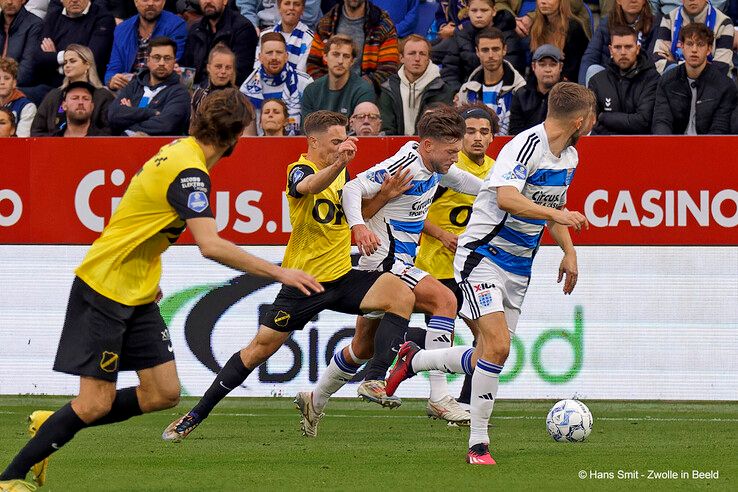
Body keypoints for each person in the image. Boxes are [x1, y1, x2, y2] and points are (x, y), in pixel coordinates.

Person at [0, 88, 321, 492]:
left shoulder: (182, 152)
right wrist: (281, 272)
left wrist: (146, 271)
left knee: (164, 392)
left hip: (137, 289)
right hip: (105, 288)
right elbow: (210, 245)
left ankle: (56, 422)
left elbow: (140, 220)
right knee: (95, 402)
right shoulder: (188, 172)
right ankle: (10, 477)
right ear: (237, 134)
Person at [162, 110, 416, 442]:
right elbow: (310, 186)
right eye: (336, 142)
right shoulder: (299, 169)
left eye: (344, 141)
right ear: (314, 141)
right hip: (303, 284)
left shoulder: (341, 173)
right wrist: (340, 163)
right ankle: (194, 415)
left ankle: (376, 379)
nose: (343, 147)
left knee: (401, 295)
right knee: (258, 351)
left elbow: (349, 216)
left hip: (340, 277)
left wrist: (383, 196)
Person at [385, 82, 595, 466]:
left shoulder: (570, 157)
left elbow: (555, 205)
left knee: (488, 353)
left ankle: (413, 360)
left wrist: (569, 251)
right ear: (581, 120)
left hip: (519, 266)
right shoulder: (525, 145)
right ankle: (477, 445)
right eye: (593, 117)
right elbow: (507, 198)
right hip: (482, 254)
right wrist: (557, 215)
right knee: (497, 347)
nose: (594, 123)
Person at [356, 105, 496, 420]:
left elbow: (484, 197)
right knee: (481, 334)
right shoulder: (430, 167)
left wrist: (513, 197)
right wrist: (441, 234)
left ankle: (324, 393)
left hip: (464, 268)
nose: (476, 138)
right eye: (470, 131)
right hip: (429, 262)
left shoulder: (489, 170)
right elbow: (415, 211)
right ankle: (433, 390)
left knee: (483, 339)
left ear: (492, 136)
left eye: (483, 132)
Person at [652, 22, 736, 134]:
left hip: (709, 147)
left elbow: (719, 129)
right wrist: (668, 147)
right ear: (682, 47)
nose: (694, 50)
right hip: (674, 146)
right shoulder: (667, 80)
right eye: (690, 44)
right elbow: (661, 121)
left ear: (709, 49)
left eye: (700, 44)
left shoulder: (725, 85)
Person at [306, 0, 400, 95]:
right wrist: (329, 86)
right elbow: (313, 63)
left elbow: (389, 67)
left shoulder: (383, 25)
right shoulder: (326, 24)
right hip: (330, 92)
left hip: (370, 92)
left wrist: (360, 87)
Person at [31, 0, 115, 101]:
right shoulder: (53, 17)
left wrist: (55, 59)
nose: (75, 0)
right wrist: (73, 59)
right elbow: (37, 58)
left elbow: (91, 58)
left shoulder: (103, 18)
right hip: (50, 86)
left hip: (85, 88)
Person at [108, 37, 191, 136]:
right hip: (124, 146)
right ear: (148, 60)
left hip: (161, 149)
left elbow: (166, 125)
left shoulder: (180, 92)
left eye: (167, 58)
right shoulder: (134, 85)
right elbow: (113, 115)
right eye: (156, 57)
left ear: (174, 62)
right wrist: (151, 113)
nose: (162, 63)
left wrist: (129, 119)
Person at [589, 25, 659, 134]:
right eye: (617, 47)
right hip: (606, 146)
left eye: (628, 47)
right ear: (610, 50)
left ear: (637, 49)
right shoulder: (597, 81)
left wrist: (604, 117)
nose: (623, 52)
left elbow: (643, 122)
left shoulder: (652, 79)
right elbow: (593, 123)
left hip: (641, 146)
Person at [378, 34, 454, 136]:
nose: (417, 58)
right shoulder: (389, 88)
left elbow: (437, 130)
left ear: (428, 59)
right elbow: (387, 128)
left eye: (422, 54)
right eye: (412, 53)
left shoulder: (442, 89)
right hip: (395, 148)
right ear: (401, 58)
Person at [30, 44, 113, 136]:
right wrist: (57, 144)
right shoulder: (54, 95)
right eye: (65, 62)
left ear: (87, 65)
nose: (67, 66)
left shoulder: (103, 96)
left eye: (72, 61)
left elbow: (109, 131)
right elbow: (36, 131)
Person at [441, 0, 523, 91]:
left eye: (484, 10)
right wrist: (457, 92)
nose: (479, 15)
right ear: (468, 11)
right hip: (466, 92)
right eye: (474, 11)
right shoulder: (461, 34)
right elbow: (450, 71)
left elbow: (512, 68)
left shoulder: (508, 33)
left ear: (494, 11)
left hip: (502, 91)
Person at [104, 0, 187, 90]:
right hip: (126, 88)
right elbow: (113, 68)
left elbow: (169, 64)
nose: (150, 3)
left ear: (163, 2)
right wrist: (112, 80)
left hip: (159, 87)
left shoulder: (176, 25)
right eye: (145, 0)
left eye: (156, 0)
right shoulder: (122, 29)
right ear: (136, 2)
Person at [240, 31, 312, 135]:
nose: (274, 57)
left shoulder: (304, 83)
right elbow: (248, 135)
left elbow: (311, 129)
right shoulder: (247, 89)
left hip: (298, 146)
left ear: (286, 56)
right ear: (260, 57)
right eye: (269, 53)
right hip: (261, 147)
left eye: (279, 52)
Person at [457, 27, 525, 136]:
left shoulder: (520, 89)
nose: (490, 55)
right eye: (485, 50)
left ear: (504, 50)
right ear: (477, 52)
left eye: (495, 49)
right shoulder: (466, 90)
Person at [182, 0, 259, 86]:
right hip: (196, 91)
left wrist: (204, 89)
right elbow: (187, 67)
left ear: (225, 1)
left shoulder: (243, 28)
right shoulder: (196, 29)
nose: (208, 1)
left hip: (228, 91)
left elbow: (239, 73)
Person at [579, 0, 656, 85]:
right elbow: (590, 57)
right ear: (618, 1)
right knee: (593, 69)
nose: (633, 0)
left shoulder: (654, 23)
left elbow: (652, 60)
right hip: (611, 79)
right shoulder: (607, 23)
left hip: (641, 80)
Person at [300, 34, 374, 122]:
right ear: (325, 57)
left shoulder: (363, 90)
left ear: (352, 61)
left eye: (346, 56)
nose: (340, 61)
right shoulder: (311, 90)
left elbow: (360, 128)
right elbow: (307, 130)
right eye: (335, 54)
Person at [653, 0, 734, 74]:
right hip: (675, 84)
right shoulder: (669, 18)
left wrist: (675, 65)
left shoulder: (724, 23)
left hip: (714, 86)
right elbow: (658, 60)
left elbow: (721, 67)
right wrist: (703, 65)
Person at [525, 0, 590, 82]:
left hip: (566, 86)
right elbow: (533, 70)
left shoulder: (574, 28)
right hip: (541, 85)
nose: (543, 2)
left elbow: (572, 71)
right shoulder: (536, 27)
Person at [509, 43, 563, 134]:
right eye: (542, 65)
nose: (548, 69)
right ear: (533, 66)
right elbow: (514, 132)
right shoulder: (521, 95)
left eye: (553, 65)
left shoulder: (569, 96)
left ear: (560, 67)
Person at [254, 0, 315, 72]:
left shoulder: (310, 39)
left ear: (302, 9)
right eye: (287, 3)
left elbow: (301, 73)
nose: (291, 8)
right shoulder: (264, 34)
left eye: (297, 4)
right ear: (279, 7)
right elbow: (257, 69)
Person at [0, 0, 43, 87]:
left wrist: (5, 85)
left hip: (18, 87)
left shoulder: (35, 24)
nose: (9, 2)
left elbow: (27, 68)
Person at [0, 56, 36, 136]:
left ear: (14, 83)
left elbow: (21, 141)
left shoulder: (27, 107)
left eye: (6, 78)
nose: (2, 82)